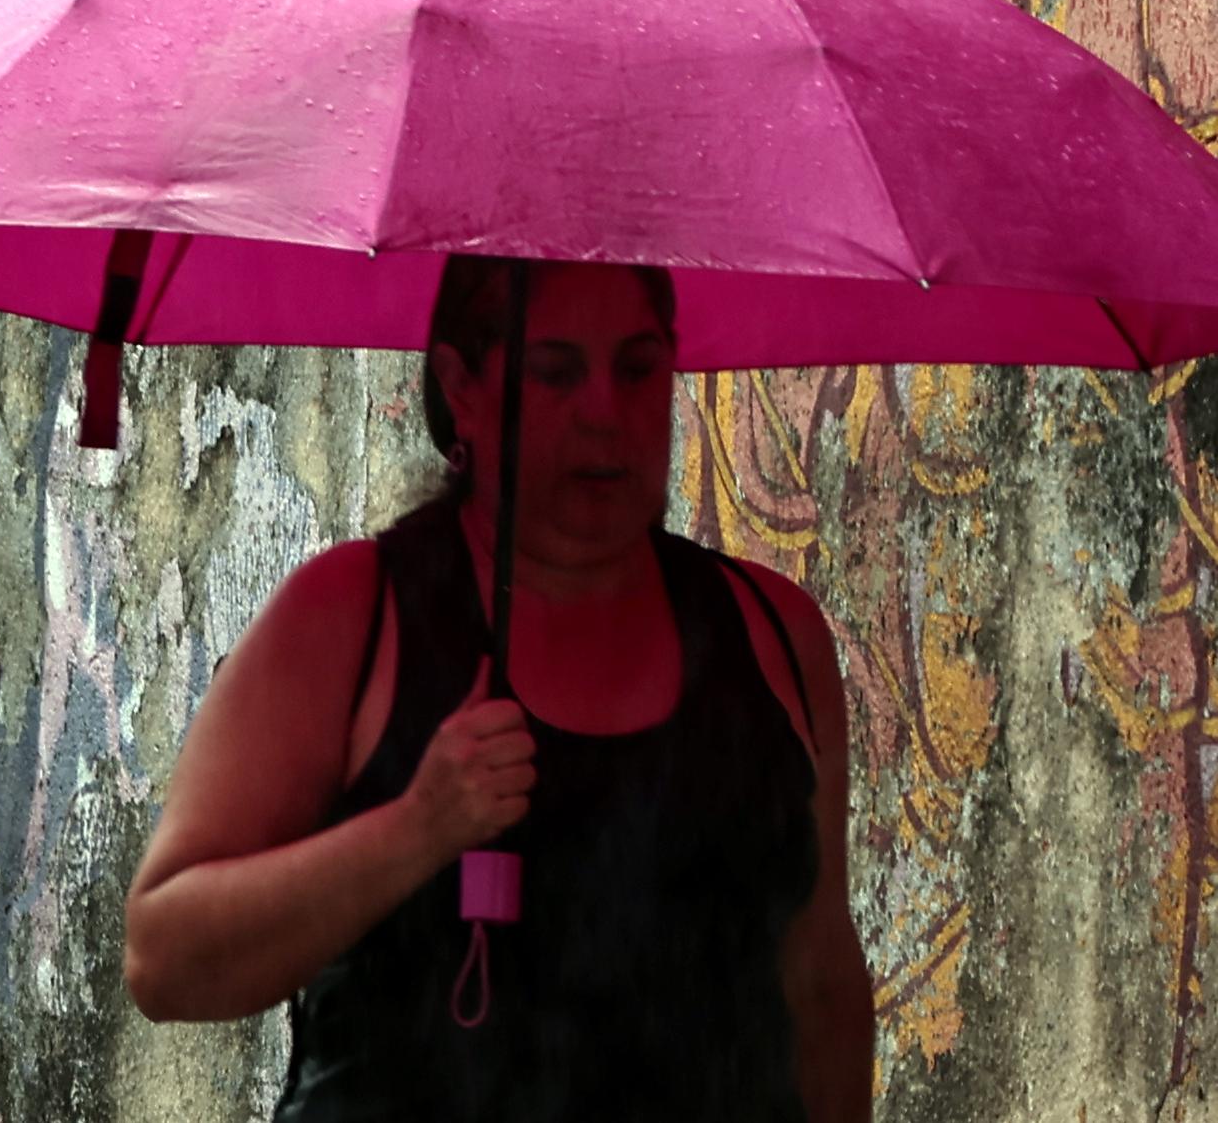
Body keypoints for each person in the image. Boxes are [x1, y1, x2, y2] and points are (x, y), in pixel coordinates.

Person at [119, 258, 874, 1120]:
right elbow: (165, 957)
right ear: (461, 385)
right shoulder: (350, 618)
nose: (604, 411)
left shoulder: (773, 635)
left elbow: (820, 983)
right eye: (554, 371)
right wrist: (415, 830)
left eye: (636, 368)